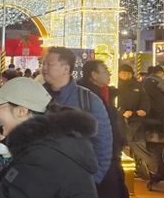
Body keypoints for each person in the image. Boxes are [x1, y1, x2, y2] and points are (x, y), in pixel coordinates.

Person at [78, 60, 132, 198]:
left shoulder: (107, 93)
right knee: (88, 194)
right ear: (93, 75)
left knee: (112, 192)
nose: (109, 74)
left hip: (110, 151)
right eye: (105, 71)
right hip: (91, 152)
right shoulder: (83, 95)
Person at [41, 47, 113, 184]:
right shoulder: (35, 97)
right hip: (40, 181)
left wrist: (92, 180)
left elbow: (103, 144)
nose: (44, 68)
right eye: (43, 64)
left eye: (49, 64)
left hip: (75, 182)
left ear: (66, 69)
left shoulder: (89, 100)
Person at [141, 65, 164, 188]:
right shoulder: (161, 85)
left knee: (154, 150)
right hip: (162, 121)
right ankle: (158, 174)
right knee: (160, 150)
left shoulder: (146, 83)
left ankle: (155, 174)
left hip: (151, 121)